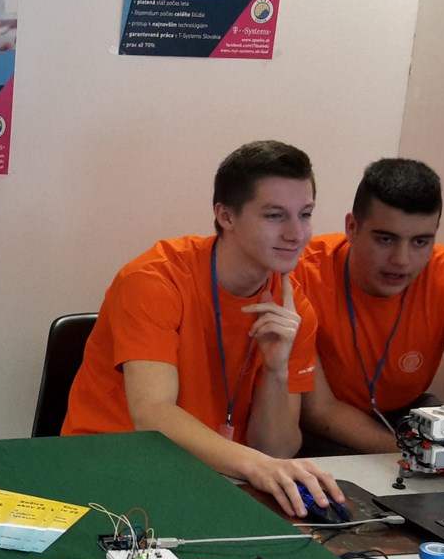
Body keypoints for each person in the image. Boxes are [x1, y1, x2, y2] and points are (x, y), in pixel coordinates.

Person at [61, 140, 343, 519]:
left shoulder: (292, 307)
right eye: (275, 216)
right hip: (108, 473)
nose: (297, 234)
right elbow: (152, 413)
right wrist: (256, 465)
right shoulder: (154, 280)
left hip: (211, 478)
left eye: (305, 214)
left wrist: (277, 371)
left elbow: (275, 451)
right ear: (225, 216)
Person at [295, 159, 444, 455]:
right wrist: (419, 456)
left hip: (408, 416)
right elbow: (318, 410)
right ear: (352, 228)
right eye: (386, 239)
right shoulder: (301, 273)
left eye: (420, 242)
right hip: (322, 428)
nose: (402, 260)